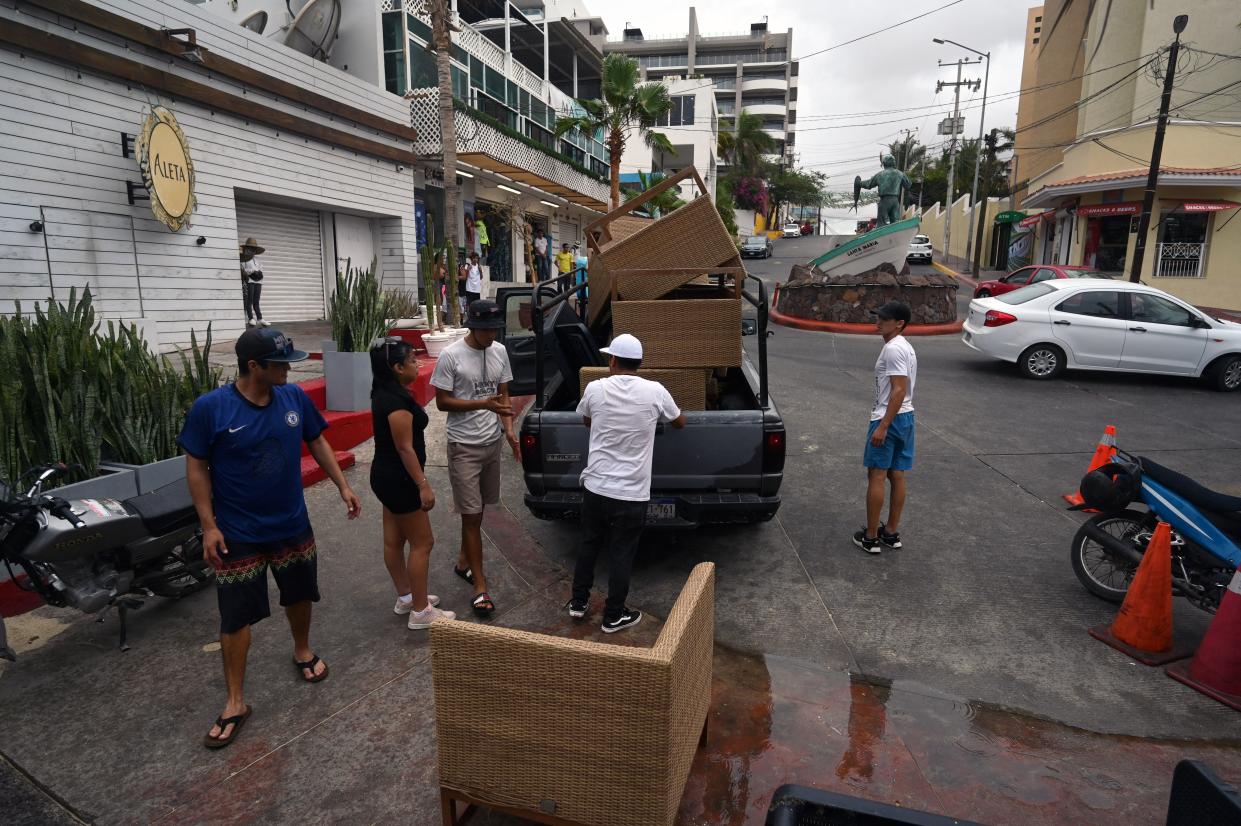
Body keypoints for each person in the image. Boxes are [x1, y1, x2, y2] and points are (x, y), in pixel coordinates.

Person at [181, 327, 362, 749]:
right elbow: (196, 468)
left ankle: (302, 649)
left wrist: (342, 485)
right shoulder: (211, 409)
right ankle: (235, 701)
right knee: (235, 617)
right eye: (280, 364)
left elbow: (316, 441)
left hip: (291, 525)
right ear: (253, 366)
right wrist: (208, 525)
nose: (288, 370)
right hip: (237, 533)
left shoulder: (294, 399)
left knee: (299, 595)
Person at [566, 334, 684, 633]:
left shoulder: (595, 388)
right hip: (632, 494)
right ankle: (613, 616)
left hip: (596, 488)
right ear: (639, 363)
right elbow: (678, 421)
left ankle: (578, 604)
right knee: (621, 554)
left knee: (588, 546)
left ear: (613, 361)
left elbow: (586, 420)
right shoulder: (655, 391)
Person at [430, 300, 519, 618]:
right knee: (471, 515)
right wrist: (482, 404)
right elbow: (441, 403)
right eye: (486, 329)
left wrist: (508, 429)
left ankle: (463, 562)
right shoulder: (451, 355)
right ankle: (480, 586)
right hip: (463, 446)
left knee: (479, 511)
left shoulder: (499, 351)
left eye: (495, 329)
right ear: (472, 326)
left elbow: (503, 393)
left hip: (491, 442)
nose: (492, 334)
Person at [369, 337, 456, 629]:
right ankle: (421, 611)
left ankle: (407, 596)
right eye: (412, 361)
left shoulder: (384, 391)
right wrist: (422, 483)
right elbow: (405, 448)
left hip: (385, 476)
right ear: (397, 367)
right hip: (401, 479)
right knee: (423, 542)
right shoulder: (396, 402)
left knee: (394, 541)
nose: (417, 365)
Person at [854, 300, 917, 555]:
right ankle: (890, 533)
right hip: (907, 417)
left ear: (899, 323)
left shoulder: (893, 349)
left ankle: (870, 538)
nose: (877, 322)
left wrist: (883, 426)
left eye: (884, 318)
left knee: (877, 475)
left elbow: (898, 389)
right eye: (877, 316)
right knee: (897, 474)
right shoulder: (906, 347)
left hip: (889, 417)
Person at [239, 237, 269, 328]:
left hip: (258, 282)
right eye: (250, 248)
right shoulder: (243, 259)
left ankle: (260, 318)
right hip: (249, 281)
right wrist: (252, 271)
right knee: (249, 301)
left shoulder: (257, 260)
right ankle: (251, 318)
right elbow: (244, 270)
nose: (252, 250)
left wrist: (258, 272)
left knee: (256, 301)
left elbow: (261, 268)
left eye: (253, 248)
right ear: (247, 248)